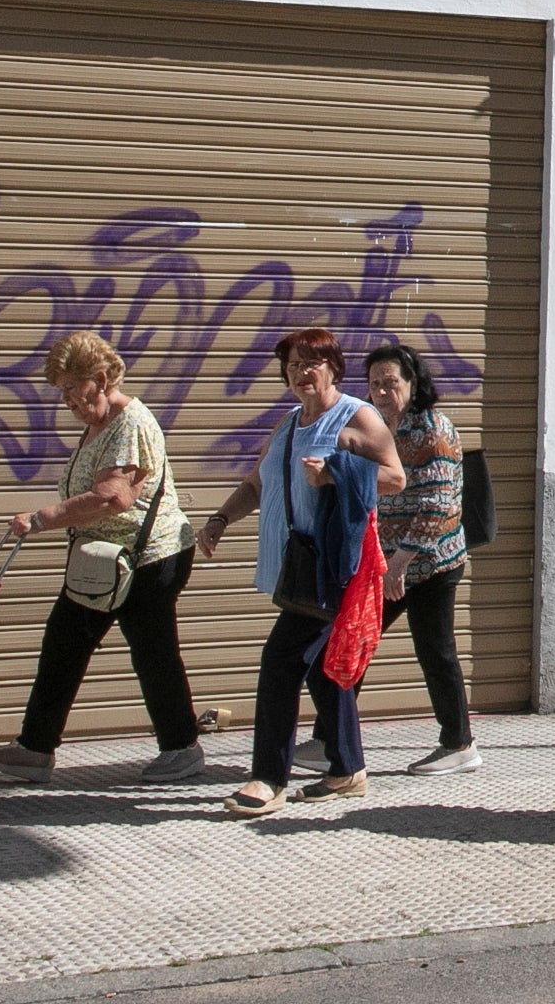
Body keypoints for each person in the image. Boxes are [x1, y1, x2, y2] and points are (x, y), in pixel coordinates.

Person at [0, 333, 206, 784]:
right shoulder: (101, 424)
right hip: (107, 559)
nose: (66, 400)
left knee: (151, 652)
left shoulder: (129, 423)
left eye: (70, 388)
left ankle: (181, 748)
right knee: (66, 643)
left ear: (99, 379)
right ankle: (35, 748)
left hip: (147, 558)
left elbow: (111, 497)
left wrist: (41, 519)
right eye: (60, 390)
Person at [198, 326, 402, 818]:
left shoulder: (356, 415)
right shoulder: (289, 424)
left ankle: (269, 778)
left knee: (280, 662)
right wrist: (220, 519)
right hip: (299, 564)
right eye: (292, 365)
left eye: (311, 363)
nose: (301, 373)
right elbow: (257, 483)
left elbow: (395, 477)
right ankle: (347, 769)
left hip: (334, 563)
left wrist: (335, 472)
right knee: (322, 667)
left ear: (334, 368)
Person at [297, 342, 477, 776]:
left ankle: (459, 744)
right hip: (384, 563)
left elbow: (436, 505)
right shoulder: (375, 427)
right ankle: (330, 739)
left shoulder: (432, 429)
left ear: (412, 383)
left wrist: (400, 564)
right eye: (374, 383)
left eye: (390, 382)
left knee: (435, 651)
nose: (381, 391)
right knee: (349, 642)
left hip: (431, 564)